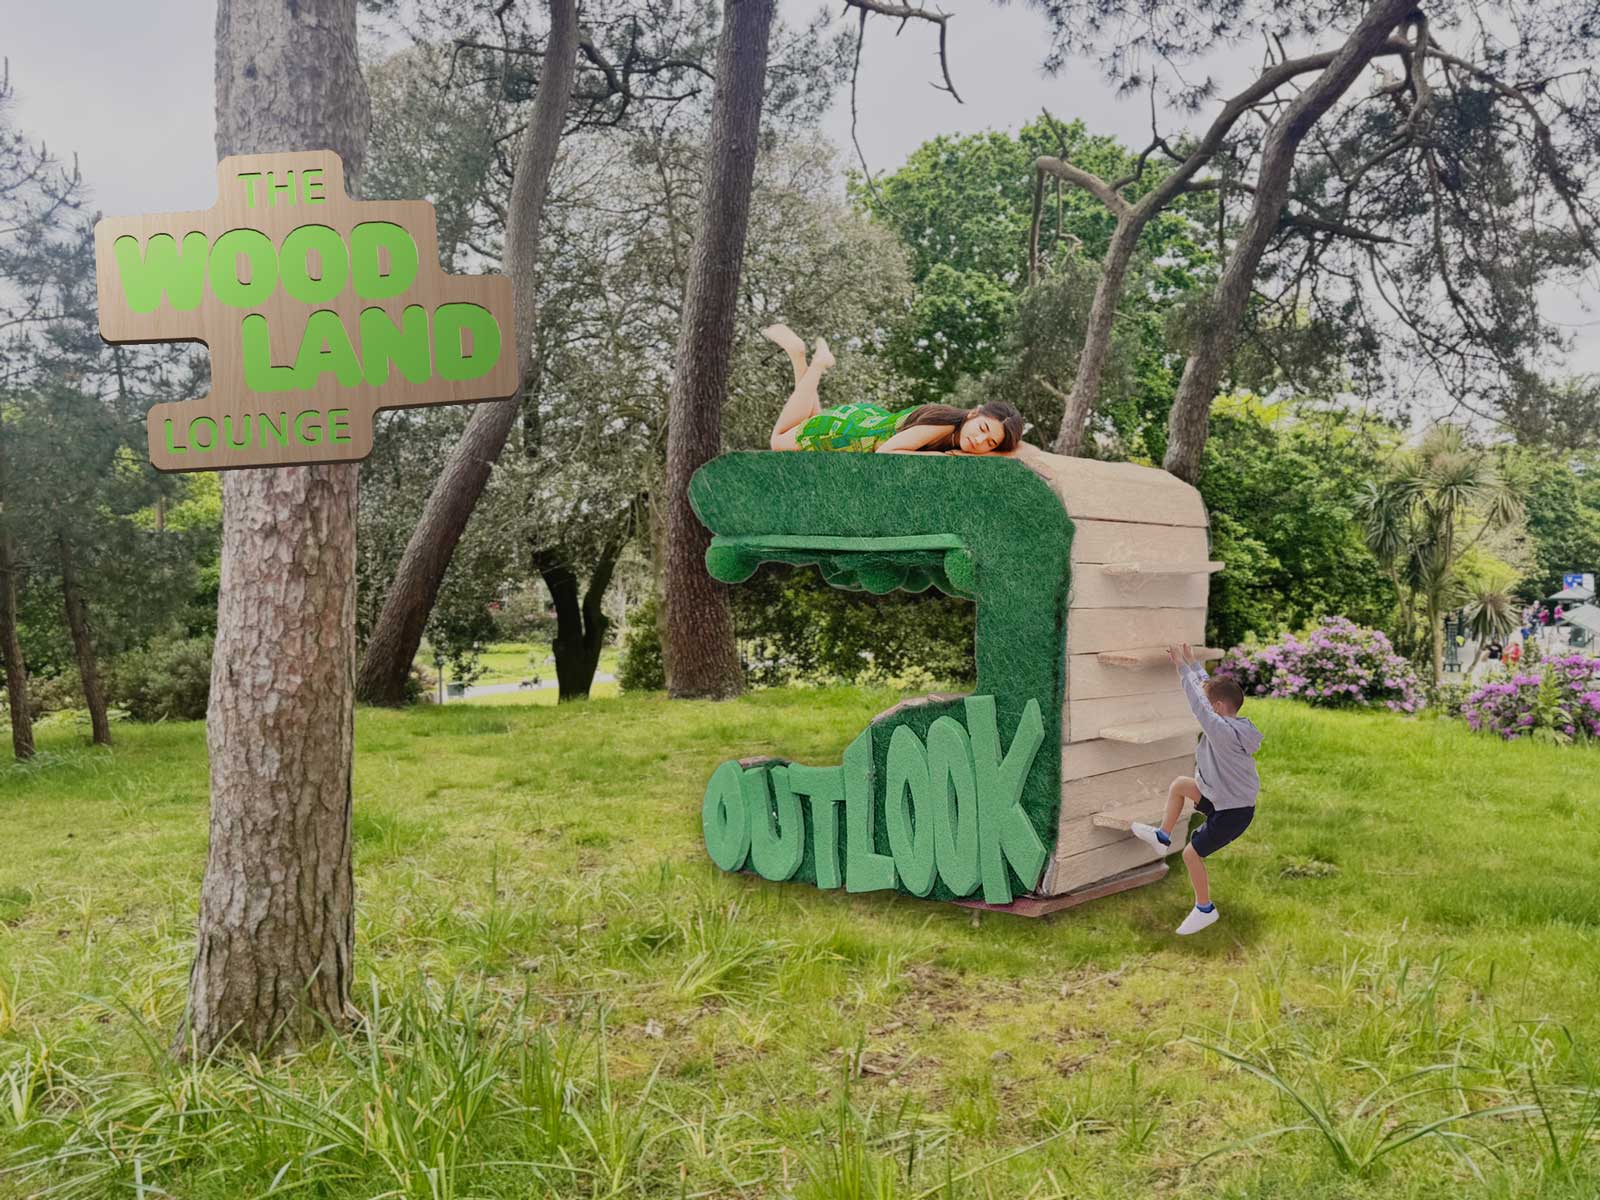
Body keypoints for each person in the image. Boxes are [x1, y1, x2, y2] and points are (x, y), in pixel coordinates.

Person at [1130, 644, 1264, 936]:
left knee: (1192, 855)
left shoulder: (1221, 731)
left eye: (1210, 707)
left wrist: (1180, 668)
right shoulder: (1237, 724)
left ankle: (1205, 909)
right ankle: (1161, 837)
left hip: (1233, 812)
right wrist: (1192, 664)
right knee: (1180, 786)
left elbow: (1199, 703)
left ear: (1217, 709)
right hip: (1224, 797)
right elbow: (1209, 694)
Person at [763, 324, 1023, 455]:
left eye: (990, 443)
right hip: (851, 433)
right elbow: (887, 452)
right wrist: (948, 458)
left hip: (865, 421)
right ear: (973, 414)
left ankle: (799, 357)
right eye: (983, 429)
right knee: (778, 440)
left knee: (808, 420)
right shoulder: (943, 426)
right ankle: (815, 364)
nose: (979, 441)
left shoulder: (950, 422)